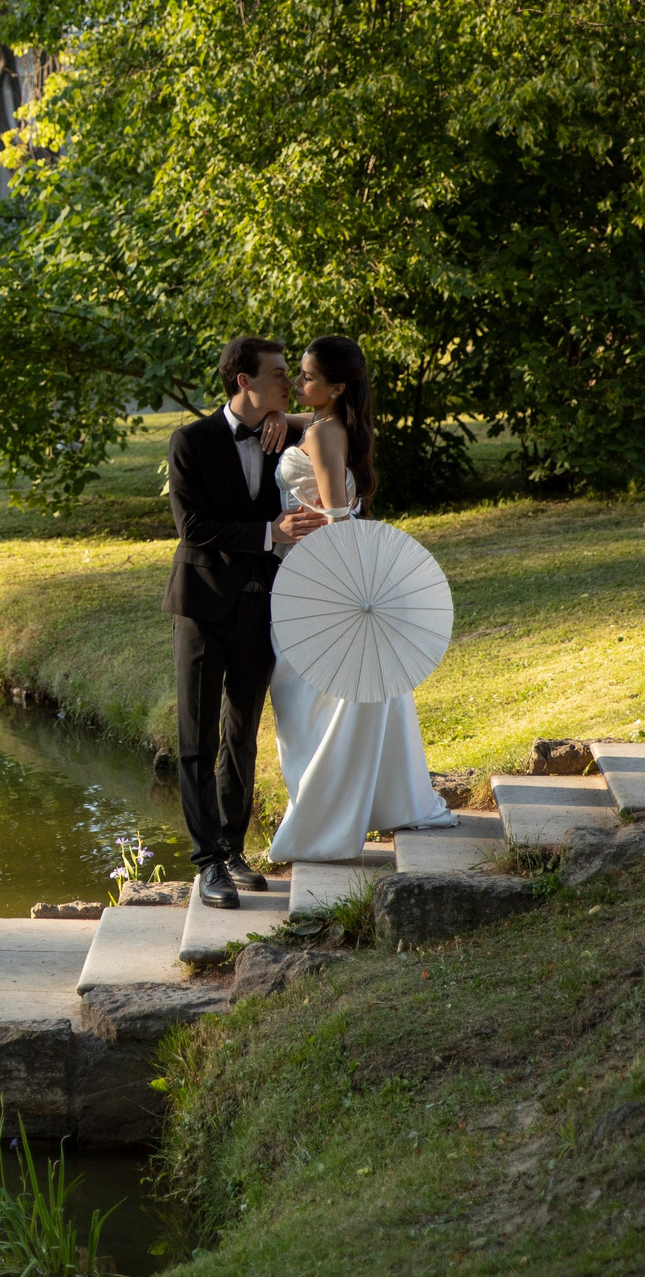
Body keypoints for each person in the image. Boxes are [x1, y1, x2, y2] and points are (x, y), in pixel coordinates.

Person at [263, 335, 456, 864]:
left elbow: (335, 515)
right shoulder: (336, 425)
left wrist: (338, 593)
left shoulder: (325, 433)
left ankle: (320, 821)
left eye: (306, 377)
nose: (298, 384)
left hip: (316, 578)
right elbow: (320, 431)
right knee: (315, 697)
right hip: (316, 569)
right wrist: (295, 421)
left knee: (304, 701)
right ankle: (359, 802)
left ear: (337, 386)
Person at [162, 337, 328, 909]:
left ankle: (233, 848)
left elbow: (339, 417)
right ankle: (207, 863)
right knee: (197, 738)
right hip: (203, 605)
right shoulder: (190, 441)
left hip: (261, 606)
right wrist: (269, 534)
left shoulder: (280, 430)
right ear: (243, 382)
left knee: (242, 735)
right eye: (279, 375)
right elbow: (194, 528)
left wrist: (285, 414)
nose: (290, 381)